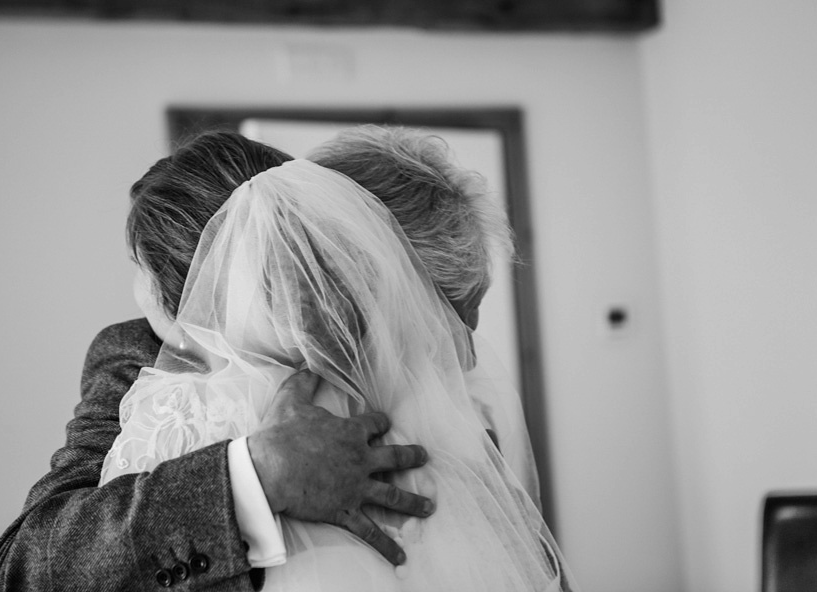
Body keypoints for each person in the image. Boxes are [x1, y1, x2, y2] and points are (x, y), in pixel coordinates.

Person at [100, 127, 572, 590]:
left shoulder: (459, 434)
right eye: (455, 323)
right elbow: (40, 557)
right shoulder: (150, 381)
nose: (464, 356)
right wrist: (259, 475)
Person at [0, 133, 432, 592]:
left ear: (178, 288)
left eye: (135, 265)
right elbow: (25, 569)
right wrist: (253, 475)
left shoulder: (393, 371)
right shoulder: (132, 356)